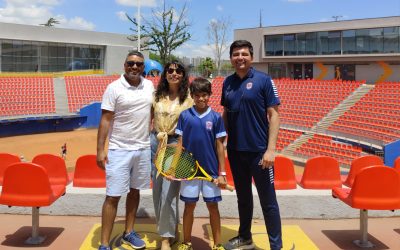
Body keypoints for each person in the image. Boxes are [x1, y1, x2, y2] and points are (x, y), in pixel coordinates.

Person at [221, 40, 282, 250]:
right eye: (236, 54)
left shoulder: (264, 80)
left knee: (268, 201)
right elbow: (226, 114)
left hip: (259, 153)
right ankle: (244, 236)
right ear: (231, 58)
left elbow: (274, 115)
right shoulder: (227, 82)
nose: (240, 57)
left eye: (244, 54)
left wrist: (271, 149)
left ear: (251, 57)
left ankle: (276, 246)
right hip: (236, 152)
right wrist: (222, 141)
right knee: (243, 198)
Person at [96, 51, 154, 250]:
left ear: (143, 67)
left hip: (143, 148)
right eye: (131, 63)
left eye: (139, 64)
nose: (135, 67)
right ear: (124, 65)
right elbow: (105, 120)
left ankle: (129, 232)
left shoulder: (150, 86)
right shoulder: (113, 88)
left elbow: (152, 110)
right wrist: (100, 150)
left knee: (135, 191)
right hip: (119, 149)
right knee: (113, 195)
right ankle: (104, 243)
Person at [175, 77, 227, 250]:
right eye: (197, 95)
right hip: (189, 171)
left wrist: (222, 173)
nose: (201, 99)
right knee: (189, 206)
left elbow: (220, 146)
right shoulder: (184, 116)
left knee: (213, 207)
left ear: (210, 95)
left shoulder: (216, 117)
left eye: (204, 95)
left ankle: (218, 244)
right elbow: (180, 144)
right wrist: (175, 167)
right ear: (192, 96)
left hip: (210, 172)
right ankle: (186, 242)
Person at [151, 61, 193, 250]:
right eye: (170, 70)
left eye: (178, 71)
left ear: (183, 75)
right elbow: (149, 118)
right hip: (156, 142)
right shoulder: (156, 95)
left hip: (176, 143)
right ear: (165, 74)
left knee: (169, 191)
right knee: (157, 191)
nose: (174, 73)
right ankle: (171, 229)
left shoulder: (189, 98)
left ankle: (165, 238)